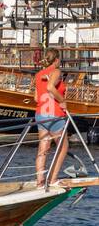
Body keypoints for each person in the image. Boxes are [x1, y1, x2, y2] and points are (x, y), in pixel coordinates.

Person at [34, 48, 69, 188]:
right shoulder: (56, 72)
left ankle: (40, 182)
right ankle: (53, 179)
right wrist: (62, 101)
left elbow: (36, 97)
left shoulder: (38, 74)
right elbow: (50, 87)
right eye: (59, 59)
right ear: (56, 60)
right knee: (63, 147)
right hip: (54, 114)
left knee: (43, 148)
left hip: (41, 114)